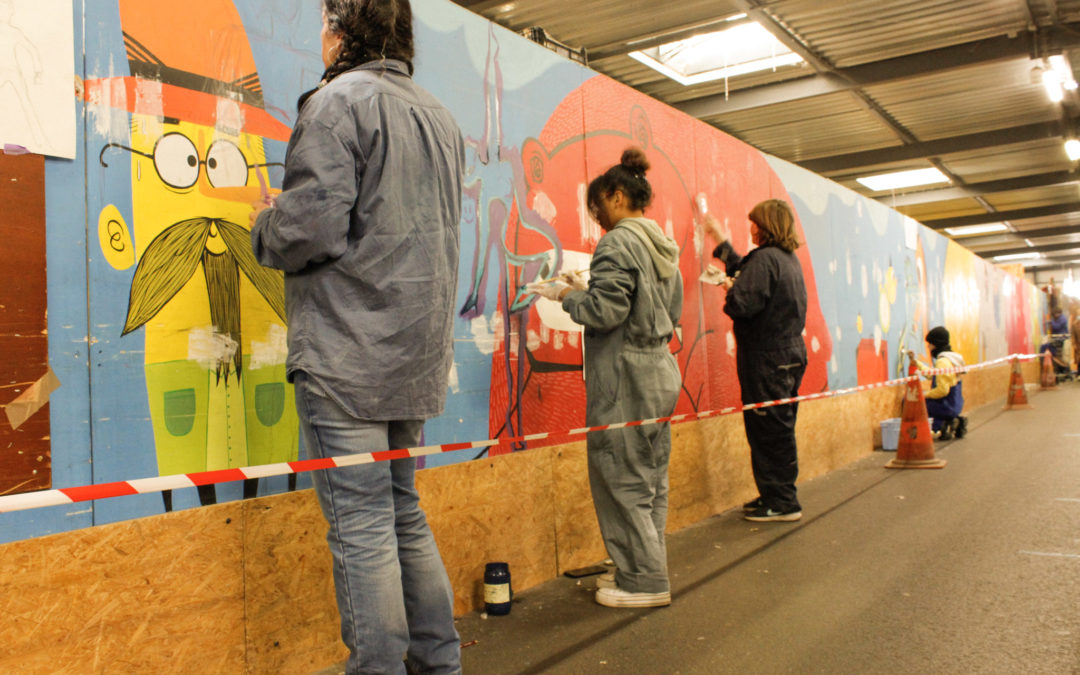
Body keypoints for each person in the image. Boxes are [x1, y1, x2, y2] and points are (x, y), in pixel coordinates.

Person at [249, 1, 465, 672]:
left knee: (363, 526)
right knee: (402, 511)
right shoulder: (439, 115)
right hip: (412, 356)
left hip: (347, 356)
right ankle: (440, 661)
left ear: (341, 29)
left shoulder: (335, 105)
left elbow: (311, 230)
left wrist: (265, 222)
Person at [529, 147, 682, 609]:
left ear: (617, 196)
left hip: (625, 377)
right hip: (659, 370)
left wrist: (564, 295)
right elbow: (653, 308)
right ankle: (646, 570)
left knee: (621, 477)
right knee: (650, 480)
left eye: (598, 208)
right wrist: (588, 287)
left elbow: (608, 310)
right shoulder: (660, 242)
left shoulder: (619, 242)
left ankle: (643, 582)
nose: (598, 220)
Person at [703, 200, 807, 523]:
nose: (751, 229)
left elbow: (742, 303)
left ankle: (782, 502)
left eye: (755, 223)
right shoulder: (788, 260)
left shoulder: (765, 260)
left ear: (765, 227)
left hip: (767, 358)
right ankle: (776, 494)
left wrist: (729, 289)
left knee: (767, 430)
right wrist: (721, 242)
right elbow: (747, 273)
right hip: (789, 354)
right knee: (779, 426)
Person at [908, 327, 967, 441]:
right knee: (926, 400)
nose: (929, 347)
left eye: (930, 344)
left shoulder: (942, 362)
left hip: (946, 404)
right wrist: (916, 363)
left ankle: (942, 425)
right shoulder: (950, 359)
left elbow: (942, 391)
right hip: (955, 402)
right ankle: (953, 421)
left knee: (918, 403)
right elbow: (932, 375)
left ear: (936, 344)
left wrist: (923, 395)